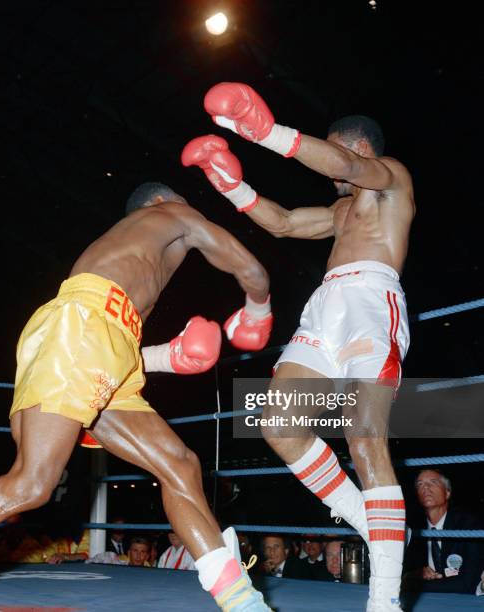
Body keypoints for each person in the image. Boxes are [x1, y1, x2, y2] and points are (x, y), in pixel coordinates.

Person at [0, 182, 273, 612]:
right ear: (161, 202)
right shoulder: (171, 215)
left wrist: (167, 356)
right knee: (32, 482)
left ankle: (241, 602)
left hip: (104, 346)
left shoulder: (133, 259)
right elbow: (250, 269)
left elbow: (117, 344)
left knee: (180, 464)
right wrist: (258, 310)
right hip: (82, 330)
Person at [183, 82, 416, 611]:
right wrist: (230, 186)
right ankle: (376, 524)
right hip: (325, 308)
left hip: (370, 304)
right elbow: (285, 222)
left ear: (359, 148)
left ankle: (384, 602)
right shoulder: (339, 214)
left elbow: (351, 169)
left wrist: (269, 134)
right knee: (278, 423)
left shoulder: (390, 179)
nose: (330, 171)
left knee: (364, 438)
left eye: (337, 155)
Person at [403, 469, 484, 594]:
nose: (426, 487)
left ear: (447, 493)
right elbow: (400, 575)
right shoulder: (411, 529)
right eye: (420, 484)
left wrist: (416, 584)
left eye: (433, 482)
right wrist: (414, 574)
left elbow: (468, 583)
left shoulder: (469, 525)